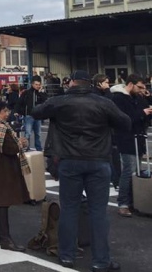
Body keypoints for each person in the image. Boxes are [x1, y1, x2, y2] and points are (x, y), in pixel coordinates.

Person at [32, 70, 131, 271]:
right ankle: (101, 261)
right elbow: (125, 123)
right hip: (98, 159)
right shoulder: (103, 102)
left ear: (72, 83)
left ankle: (66, 255)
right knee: (98, 211)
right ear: (90, 83)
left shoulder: (60, 101)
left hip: (69, 160)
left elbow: (36, 111)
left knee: (69, 209)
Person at [0, 100, 30, 252]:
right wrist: (20, 143)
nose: (7, 113)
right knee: (2, 202)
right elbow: (7, 148)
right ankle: (6, 239)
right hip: (1, 168)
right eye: (5, 111)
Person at [110, 74, 152, 219]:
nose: (141, 90)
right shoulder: (118, 98)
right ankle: (123, 203)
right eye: (139, 87)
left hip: (138, 138)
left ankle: (133, 201)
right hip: (126, 139)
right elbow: (123, 118)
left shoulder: (138, 98)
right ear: (130, 84)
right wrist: (142, 113)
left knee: (136, 170)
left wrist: (148, 108)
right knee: (129, 170)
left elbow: (143, 114)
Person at [14, 75, 47, 150]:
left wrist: (41, 93)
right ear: (32, 84)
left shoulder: (41, 93)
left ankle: (38, 148)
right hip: (29, 115)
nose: (38, 86)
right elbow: (19, 102)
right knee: (28, 133)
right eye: (36, 84)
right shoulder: (26, 93)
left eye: (39, 84)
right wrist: (16, 111)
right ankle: (26, 147)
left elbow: (45, 101)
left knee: (38, 133)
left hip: (38, 116)